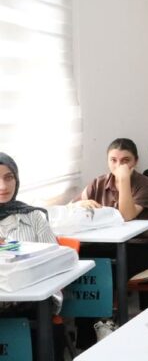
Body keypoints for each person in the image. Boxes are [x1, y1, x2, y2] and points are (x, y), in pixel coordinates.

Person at [73, 138, 148, 349]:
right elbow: (72, 206)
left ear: (135, 161)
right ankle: (86, 337)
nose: (118, 165)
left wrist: (124, 182)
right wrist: (81, 203)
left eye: (125, 160)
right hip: (106, 244)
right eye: (113, 160)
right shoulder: (98, 182)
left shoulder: (146, 184)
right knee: (85, 269)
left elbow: (126, 215)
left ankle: (108, 323)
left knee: (110, 271)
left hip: (141, 245)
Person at [0, 153, 65, 360]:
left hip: (30, 303)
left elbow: (55, 263)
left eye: (9, 177)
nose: (3, 185)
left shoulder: (34, 217)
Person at [0, 153, 56, 244]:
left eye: (9, 177)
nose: (3, 187)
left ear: (16, 181)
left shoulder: (34, 216)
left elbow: (54, 255)